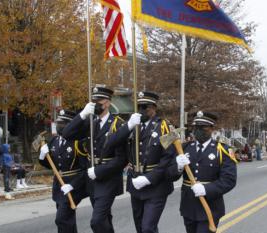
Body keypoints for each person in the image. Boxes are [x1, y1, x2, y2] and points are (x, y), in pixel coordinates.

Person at [62, 86, 127, 233]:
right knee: (104, 219)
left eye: (99, 101)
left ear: (108, 103)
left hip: (108, 178)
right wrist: (82, 115)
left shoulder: (118, 124)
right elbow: (66, 134)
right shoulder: (90, 122)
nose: (96, 104)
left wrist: (99, 171)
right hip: (91, 179)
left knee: (96, 221)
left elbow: (121, 159)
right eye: (94, 101)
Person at [109, 91, 175, 233]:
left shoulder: (165, 127)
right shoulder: (132, 125)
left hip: (156, 185)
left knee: (147, 228)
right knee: (140, 227)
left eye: (145, 107)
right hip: (135, 184)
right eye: (139, 107)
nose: (142, 111)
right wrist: (129, 126)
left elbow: (168, 158)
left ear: (154, 108)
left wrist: (149, 178)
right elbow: (111, 143)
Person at [167, 111, 237, 233]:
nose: (198, 131)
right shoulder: (183, 148)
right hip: (188, 205)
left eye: (202, 127)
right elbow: (170, 175)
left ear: (211, 129)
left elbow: (229, 180)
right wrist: (178, 166)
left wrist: (207, 189)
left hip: (210, 205)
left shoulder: (222, 150)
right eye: (196, 127)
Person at [40, 109, 89, 233]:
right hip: (59, 185)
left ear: (70, 125)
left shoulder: (77, 143)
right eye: (58, 123)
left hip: (73, 186)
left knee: (61, 219)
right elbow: (51, 165)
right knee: (68, 220)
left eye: (62, 123)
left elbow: (85, 169)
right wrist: (42, 155)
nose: (59, 126)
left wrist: (72, 185)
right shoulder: (54, 141)